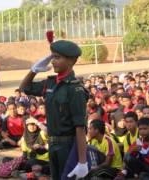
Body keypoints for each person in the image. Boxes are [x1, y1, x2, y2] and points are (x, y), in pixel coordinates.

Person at [20, 40, 88, 180]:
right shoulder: (50, 83)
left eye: (57, 57)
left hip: (67, 144)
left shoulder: (75, 89)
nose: (52, 61)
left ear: (71, 61)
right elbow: (25, 88)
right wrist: (33, 71)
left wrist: (82, 161)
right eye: (52, 57)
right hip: (52, 142)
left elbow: (80, 127)